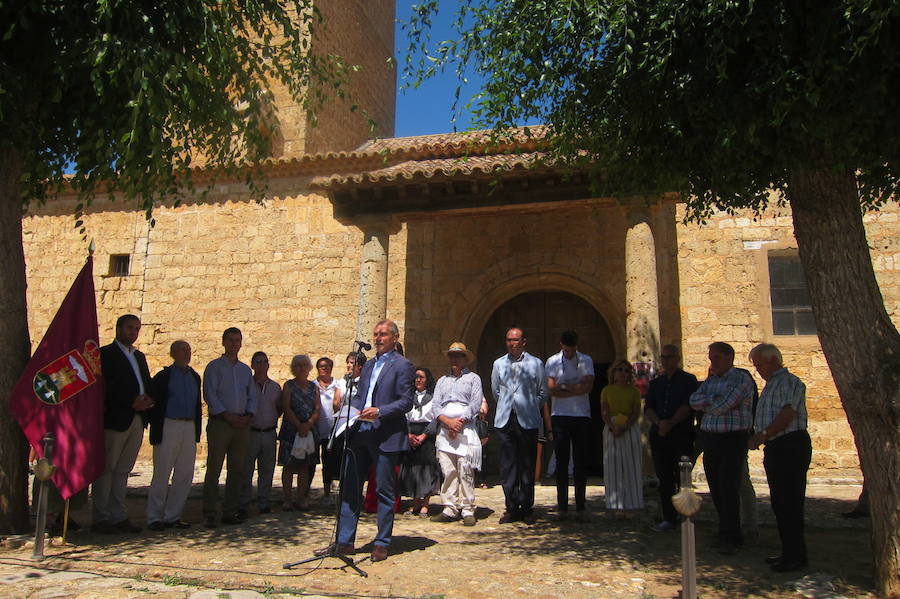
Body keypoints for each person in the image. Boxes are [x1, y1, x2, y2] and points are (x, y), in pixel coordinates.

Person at [324, 319, 414, 563]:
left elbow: (406, 402)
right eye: (375, 334)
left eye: (383, 334)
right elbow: (362, 396)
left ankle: (382, 543)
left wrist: (380, 411)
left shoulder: (403, 365)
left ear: (395, 338)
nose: (377, 338)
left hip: (386, 435)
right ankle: (344, 542)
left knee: (384, 491)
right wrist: (351, 411)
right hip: (360, 433)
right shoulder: (370, 364)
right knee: (350, 487)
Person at [748, 343, 812, 572]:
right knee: (780, 503)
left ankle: (796, 556)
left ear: (773, 360)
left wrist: (763, 435)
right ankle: (788, 552)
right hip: (775, 447)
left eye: (759, 365)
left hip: (790, 446)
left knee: (791, 502)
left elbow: (788, 413)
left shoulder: (789, 382)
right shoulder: (771, 385)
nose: (758, 370)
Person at [689, 341, 756, 554]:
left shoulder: (741, 379)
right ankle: (725, 529)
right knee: (716, 486)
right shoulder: (712, 380)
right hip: (711, 439)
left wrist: (708, 402)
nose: (712, 362)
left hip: (732, 440)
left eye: (716, 357)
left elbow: (722, 406)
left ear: (729, 357)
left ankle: (733, 535)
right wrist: (712, 400)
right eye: (710, 358)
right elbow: (693, 400)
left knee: (729, 486)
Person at [92, 314, 153, 534]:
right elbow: (106, 387)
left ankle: (118, 515)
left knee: (123, 470)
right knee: (107, 469)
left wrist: (148, 399)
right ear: (118, 328)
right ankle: (101, 517)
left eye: (137, 328)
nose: (133, 332)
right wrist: (129, 402)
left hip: (137, 420)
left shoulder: (139, 357)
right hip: (116, 419)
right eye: (129, 328)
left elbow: (145, 382)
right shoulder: (106, 354)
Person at [490, 327, 551, 524]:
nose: (512, 343)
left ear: (523, 341)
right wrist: (509, 405)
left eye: (516, 340)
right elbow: (495, 391)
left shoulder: (536, 363)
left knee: (527, 464)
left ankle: (526, 507)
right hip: (506, 420)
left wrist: (531, 406)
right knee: (508, 466)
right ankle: (511, 506)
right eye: (509, 340)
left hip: (527, 419)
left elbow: (543, 392)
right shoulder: (498, 364)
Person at [202, 327, 259, 528]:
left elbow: (251, 395)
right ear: (224, 342)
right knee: (214, 468)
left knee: (237, 469)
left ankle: (230, 510)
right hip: (221, 424)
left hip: (241, 426)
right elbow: (210, 394)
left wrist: (248, 415)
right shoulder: (214, 367)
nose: (234, 343)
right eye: (231, 340)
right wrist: (227, 415)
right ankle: (209, 512)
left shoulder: (245, 370)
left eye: (237, 340)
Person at [146, 340, 202, 530]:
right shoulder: (164, 376)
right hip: (168, 424)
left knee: (185, 473)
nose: (187, 353)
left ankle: (173, 515)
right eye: (182, 350)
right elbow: (154, 402)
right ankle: (154, 517)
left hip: (188, 426)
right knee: (162, 472)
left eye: (188, 350)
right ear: (172, 353)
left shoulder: (194, 377)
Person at [644, 344, 698, 531]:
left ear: (677, 358)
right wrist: (660, 423)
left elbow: (687, 406)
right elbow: (648, 408)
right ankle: (669, 517)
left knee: (683, 477)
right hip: (660, 436)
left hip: (680, 436)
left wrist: (670, 423)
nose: (666, 361)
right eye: (663, 357)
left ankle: (687, 516)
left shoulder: (688, 381)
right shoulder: (656, 383)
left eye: (670, 357)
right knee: (664, 478)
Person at [430, 343, 484, 526]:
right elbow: (436, 405)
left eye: (458, 356)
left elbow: (475, 403)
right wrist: (447, 422)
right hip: (446, 430)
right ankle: (449, 507)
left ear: (465, 359)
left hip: (465, 428)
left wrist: (459, 423)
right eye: (452, 355)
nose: (454, 359)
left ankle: (468, 508)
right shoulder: (442, 381)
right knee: (448, 470)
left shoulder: (473, 379)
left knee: (465, 469)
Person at [545, 330, 595, 520]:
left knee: (580, 463)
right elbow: (551, 389)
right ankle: (563, 506)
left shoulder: (586, 360)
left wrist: (564, 387)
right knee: (562, 462)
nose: (569, 351)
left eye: (572, 348)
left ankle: (581, 506)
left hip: (581, 415)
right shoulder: (552, 362)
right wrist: (576, 389)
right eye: (566, 348)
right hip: (560, 416)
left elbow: (588, 386)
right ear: (561, 345)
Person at [240, 351, 282, 516]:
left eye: (264, 361)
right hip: (251, 432)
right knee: (246, 469)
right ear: (252, 365)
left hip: (269, 433)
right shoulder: (246, 385)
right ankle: (243, 503)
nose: (261, 365)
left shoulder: (275, 387)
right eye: (258, 361)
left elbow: (279, 408)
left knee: (267, 469)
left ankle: (264, 503)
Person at [600, 359, 644, 516]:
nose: (623, 373)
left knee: (631, 465)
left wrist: (625, 426)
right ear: (614, 372)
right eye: (620, 369)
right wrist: (612, 427)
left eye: (626, 370)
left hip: (629, 427)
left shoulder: (634, 391)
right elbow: (604, 411)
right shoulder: (607, 390)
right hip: (612, 427)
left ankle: (632, 503)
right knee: (613, 466)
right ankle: (616, 504)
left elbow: (636, 411)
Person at [277, 354, 320, 511]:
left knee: (304, 466)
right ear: (293, 369)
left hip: (308, 431)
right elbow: (286, 407)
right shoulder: (288, 386)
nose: (302, 368)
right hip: (291, 431)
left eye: (304, 365)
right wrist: (298, 425)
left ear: (309, 368)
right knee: (288, 466)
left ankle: (302, 498)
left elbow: (317, 408)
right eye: (298, 365)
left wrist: (308, 424)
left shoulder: (314, 387)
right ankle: (287, 499)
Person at [399, 367, 439, 518]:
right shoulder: (409, 397)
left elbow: (435, 418)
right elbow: (403, 416)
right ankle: (415, 503)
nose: (418, 380)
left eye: (421, 377)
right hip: (410, 433)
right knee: (412, 469)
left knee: (427, 468)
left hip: (426, 435)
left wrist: (424, 435)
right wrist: (408, 434)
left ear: (427, 379)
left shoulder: (433, 397)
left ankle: (426, 504)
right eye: (416, 377)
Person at [314, 357, 343, 501]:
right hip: (314, 429)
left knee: (328, 461)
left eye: (327, 366)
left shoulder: (337, 385)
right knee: (311, 463)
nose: (324, 368)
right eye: (321, 366)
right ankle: (305, 491)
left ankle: (326, 492)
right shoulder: (312, 385)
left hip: (331, 429)